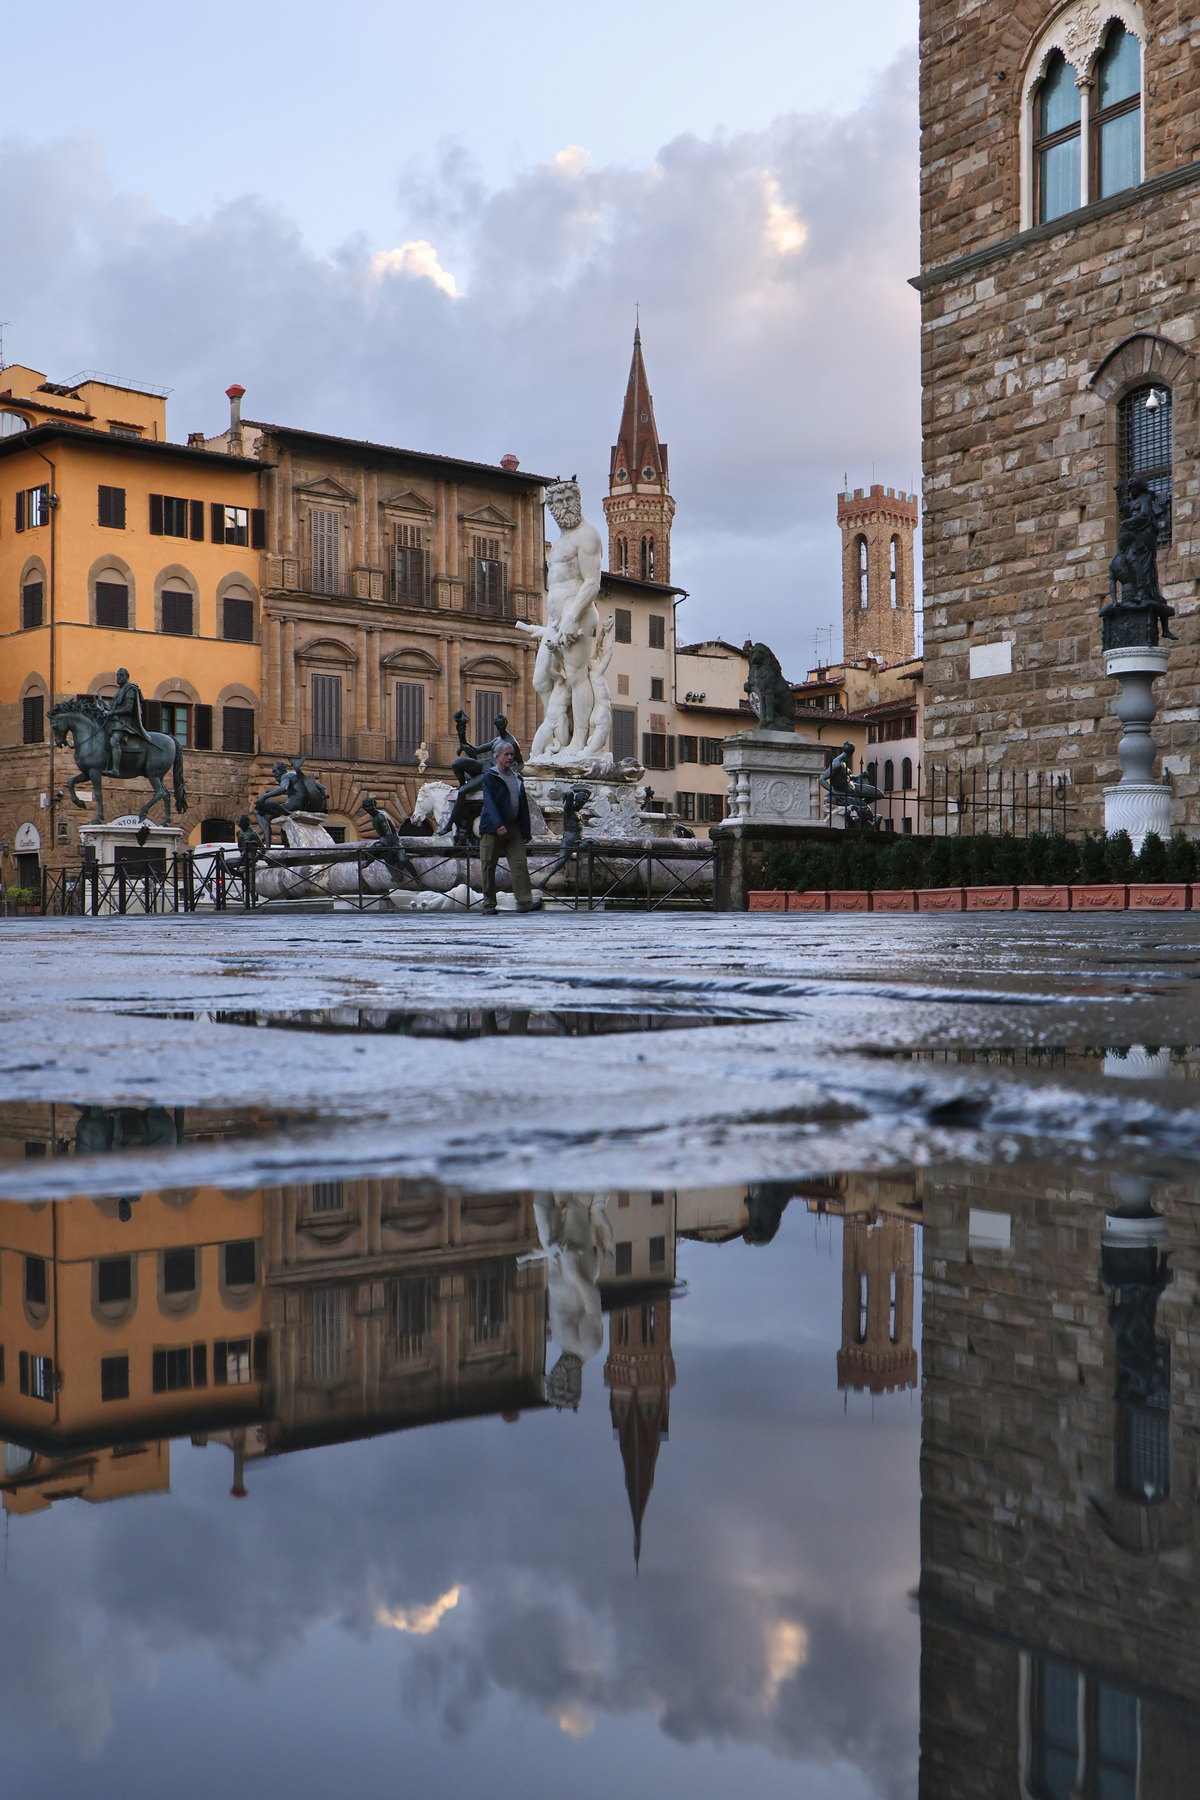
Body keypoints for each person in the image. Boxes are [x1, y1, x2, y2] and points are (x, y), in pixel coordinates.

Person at [478, 741, 541, 914]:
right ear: (497, 757)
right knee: (488, 865)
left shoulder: (517, 778)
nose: (510, 757)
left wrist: (526, 830)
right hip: (492, 828)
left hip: (513, 828)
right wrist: (498, 824)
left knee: (520, 863)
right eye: (506, 754)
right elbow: (489, 803)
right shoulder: (490, 777)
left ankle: (524, 901)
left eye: (511, 754)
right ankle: (489, 904)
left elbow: (523, 805)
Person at [102, 668, 153, 775]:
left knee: (113, 741)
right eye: (117, 675)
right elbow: (114, 709)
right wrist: (105, 707)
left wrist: (111, 713)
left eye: (121, 675)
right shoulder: (121, 691)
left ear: (127, 677)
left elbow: (128, 709)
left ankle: (115, 769)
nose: (118, 677)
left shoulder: (130, 689)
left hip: (124, 723)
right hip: (117, 722)